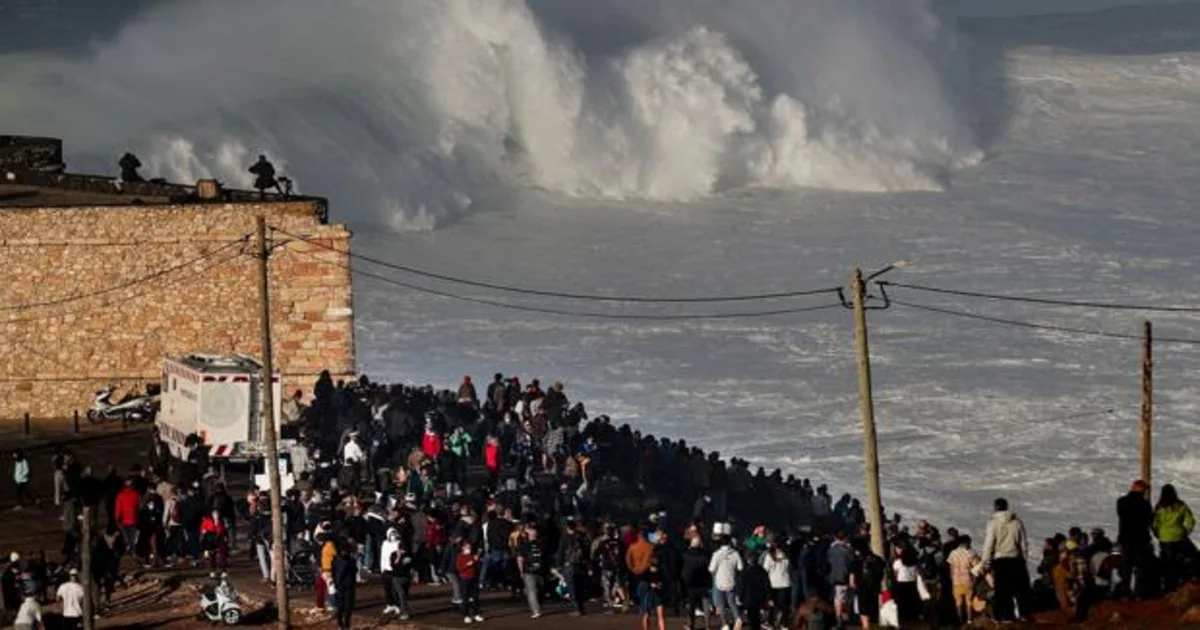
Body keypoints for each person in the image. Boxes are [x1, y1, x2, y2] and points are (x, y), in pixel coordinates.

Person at [982, 497, 1031, 621]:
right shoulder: (1017, 522)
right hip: (1016, 559)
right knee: (1020, 589)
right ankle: (1024, 613)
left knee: (1002, 589)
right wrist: (1024, 558)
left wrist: (986, 561)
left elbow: (989, 543)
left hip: (1000, 560)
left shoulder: (993, 523)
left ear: (996, 507)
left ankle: (1005, 615)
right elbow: (1023, 543)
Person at [1152, 483, 1197, 592]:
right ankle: (1181, 582)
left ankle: (1169, 585)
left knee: (1167, 561)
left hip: (1164, 538)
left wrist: (1157, 533)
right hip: (1179, 537)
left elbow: (1154, 523)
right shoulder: (1180, 505)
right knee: (1180, 560)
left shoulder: (1160, 507)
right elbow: (1191, 521)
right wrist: (1186, 531)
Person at [708, 534, 743, 630]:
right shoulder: (735, 553)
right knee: (732, 603)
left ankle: (725, 624)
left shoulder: (716, 554)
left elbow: (711, 569)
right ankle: (738, 618)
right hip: (731, 581)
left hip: (719, 582)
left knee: (721, 604)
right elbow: (740, 567)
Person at [947, 535, 980, 624]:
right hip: (968, 581)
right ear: (966, 542)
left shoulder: (952, 553)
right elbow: (977, 568)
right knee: (969, 602)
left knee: (958, 602)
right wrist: (975, 580)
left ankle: (960, 620)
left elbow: (951, 568)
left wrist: (952, 578)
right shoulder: (971, 553)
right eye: (969, 542)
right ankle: (969, 620)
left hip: (956, 581)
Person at [517, 525, 546, 618]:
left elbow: (519, 559)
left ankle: (537, 610)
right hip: (536, 571)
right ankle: (536, 610)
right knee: (534, 591)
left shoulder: (524, 545)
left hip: (531, 571)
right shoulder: (541, 544)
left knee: (533, 591)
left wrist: (521, 571)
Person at [456, 540, 484, 624]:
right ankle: (466, 615)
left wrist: (477, 561)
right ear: (463, 548)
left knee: (475, 597)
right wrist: (467, 565)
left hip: (473, 578)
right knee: (465, 597)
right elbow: (459, 568)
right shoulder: (460, 556)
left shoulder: (472, 556)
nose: (469, 549)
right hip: (465, 579)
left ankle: (476, 614)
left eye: (470, 547)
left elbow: (477, 566)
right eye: (467, 547)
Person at [332, 545, 359, 630]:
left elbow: (334, 573)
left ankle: (342, 625)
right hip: (347, 586)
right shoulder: (351, 561)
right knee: (346, 607)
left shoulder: (336, 561)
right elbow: (355, 571)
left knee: (343, 607)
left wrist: (336, 583)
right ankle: (344, 625)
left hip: (342, 586)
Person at [639, 556, 667, 630]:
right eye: (654, 566)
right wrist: (650, 584)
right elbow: (643, 584)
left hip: (657, 595)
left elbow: (664, 582)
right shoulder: (646, 573)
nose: (655, 568)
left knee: (660, 615)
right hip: (649, 595)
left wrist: (660, 585)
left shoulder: (660, 572)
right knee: (647, 615)